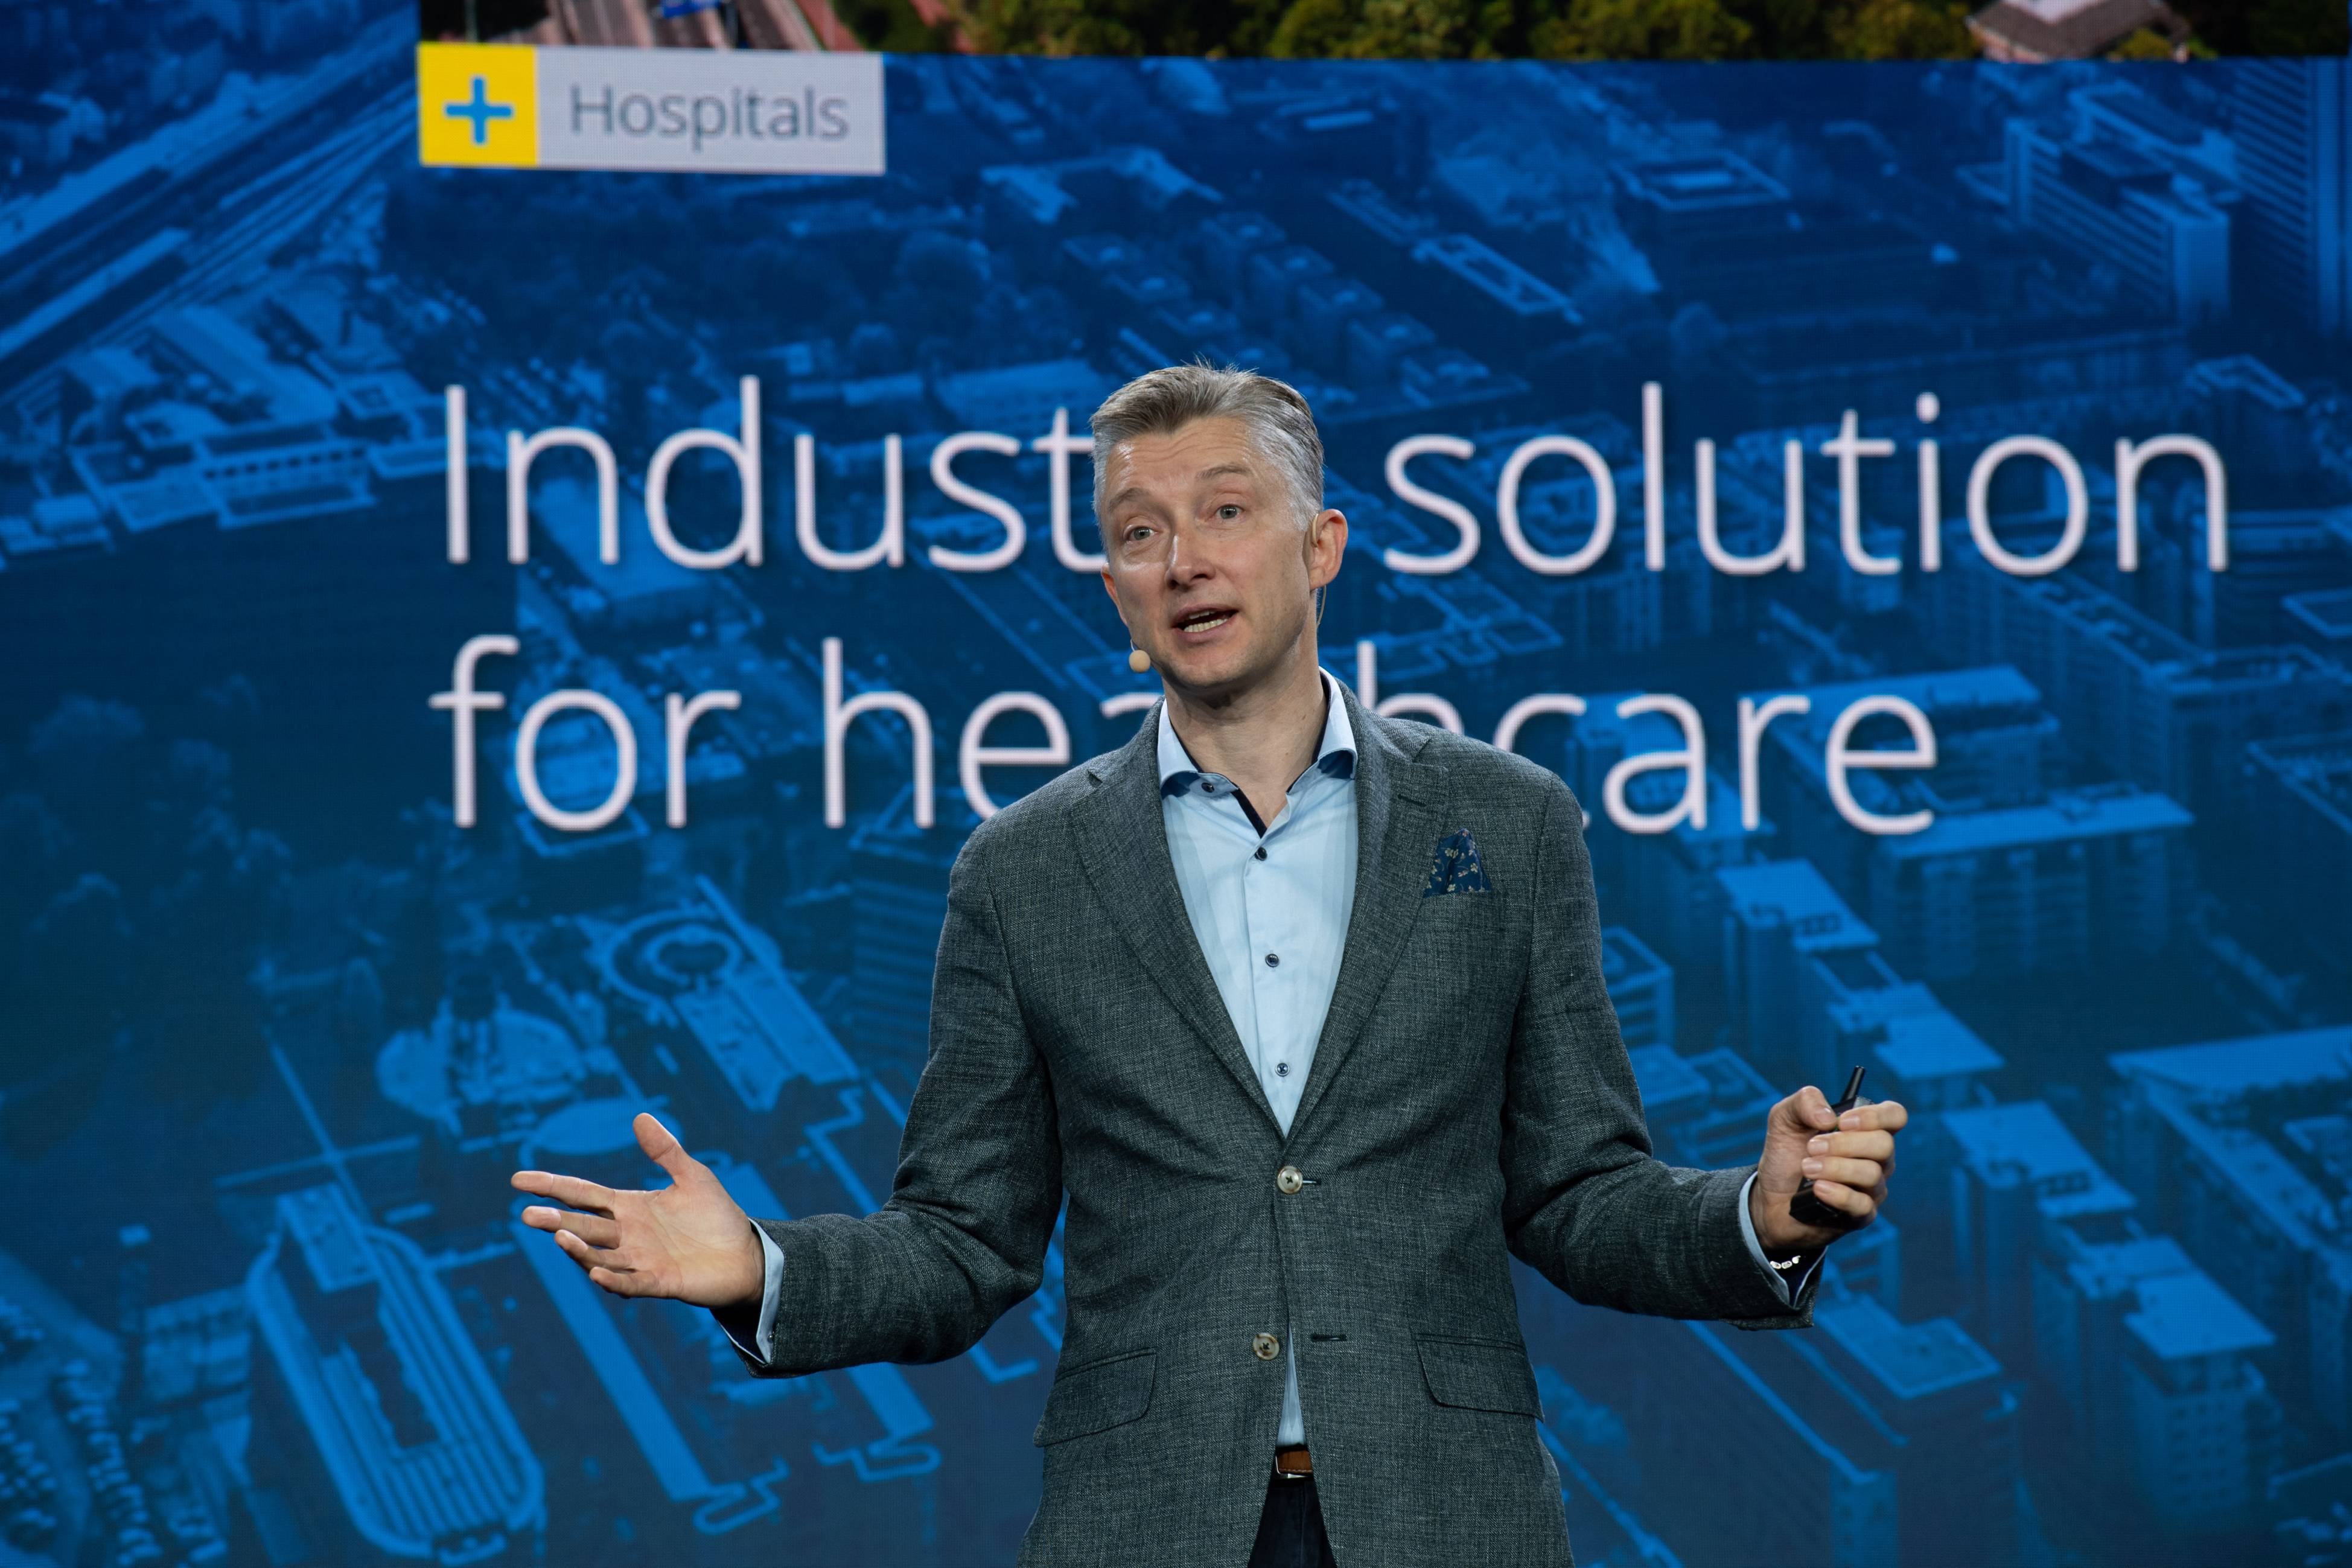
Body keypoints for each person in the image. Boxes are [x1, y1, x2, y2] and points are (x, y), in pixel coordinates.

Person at [511, 363, 1910, 1567]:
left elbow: (1575, 1197)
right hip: (1147, 1521)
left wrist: (1760, 1216)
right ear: (1116, 592)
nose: (1181, 559)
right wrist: (755, 1269)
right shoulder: (1020, 869)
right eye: (1139, 532)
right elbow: (963, 1246)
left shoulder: (1508, 821)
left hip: (1446, 1516)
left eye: (1225, 512)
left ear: (1321, 546)